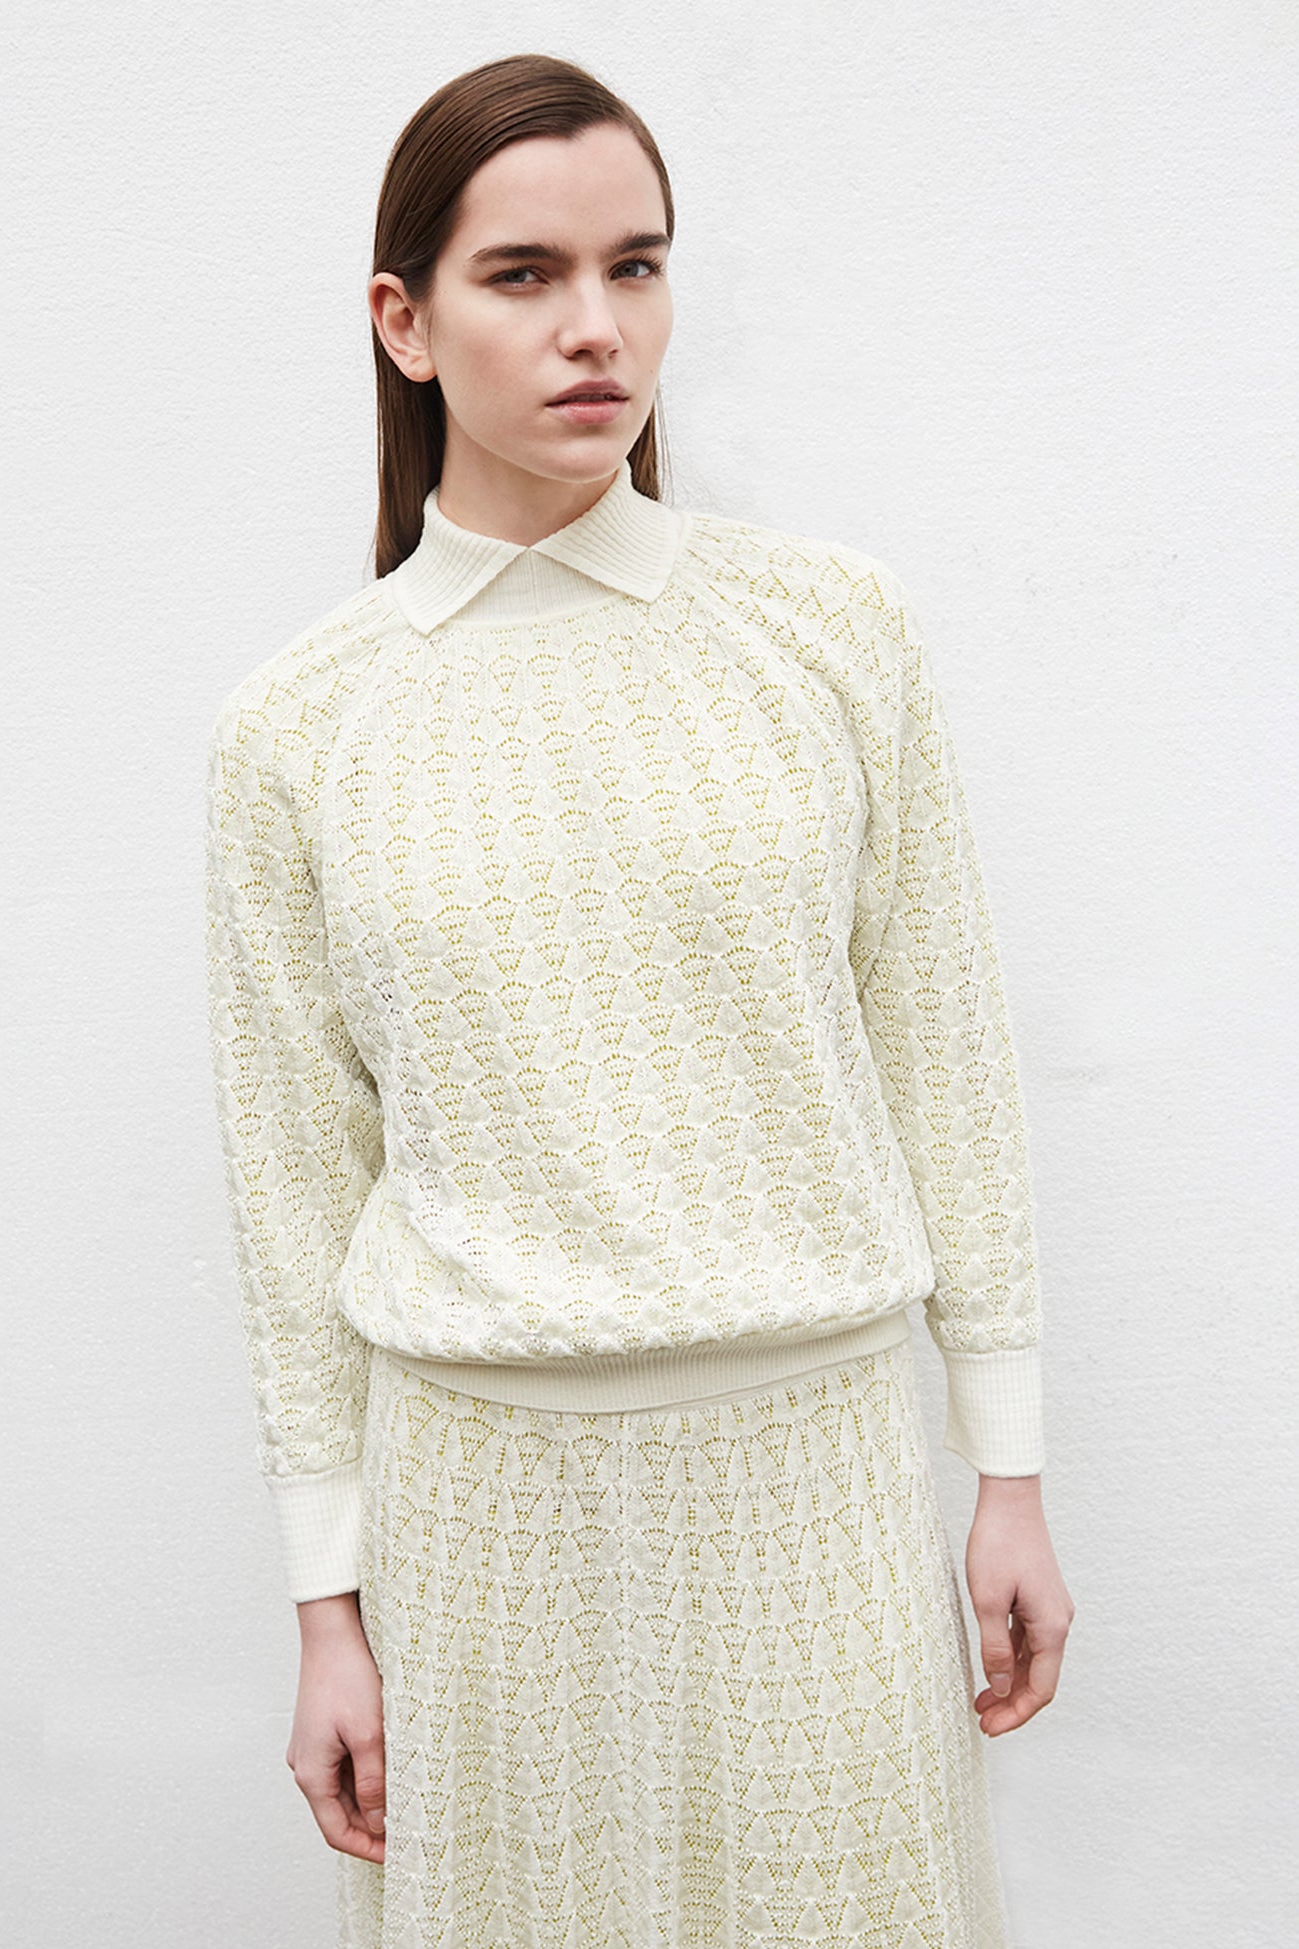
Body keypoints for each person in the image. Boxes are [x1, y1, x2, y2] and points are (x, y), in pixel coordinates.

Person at [204, 50, 1074, 1949]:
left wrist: (1004, 1467)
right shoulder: (301, 727)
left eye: (637, 265)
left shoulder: (826, 632)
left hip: (813, 1477)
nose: (595, 326)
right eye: (522, 274)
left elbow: (943, 1056)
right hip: (478, 1517)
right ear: (403, 322)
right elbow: (294, 1188)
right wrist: (324, 1605)